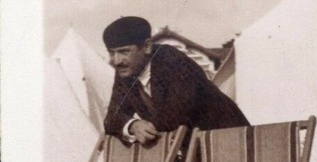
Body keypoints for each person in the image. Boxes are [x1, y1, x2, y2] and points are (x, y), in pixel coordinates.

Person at [102, 16, 248, 144]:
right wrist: (133, 125)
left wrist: (135, 125)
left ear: (146, 46)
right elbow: (111, 119)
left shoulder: (172, 61)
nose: (116, 60)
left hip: (229, 139)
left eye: (124, 51)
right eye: (111, 53)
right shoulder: (127, 70)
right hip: (193, 147)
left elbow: (174, 120)